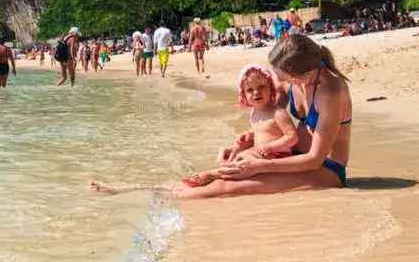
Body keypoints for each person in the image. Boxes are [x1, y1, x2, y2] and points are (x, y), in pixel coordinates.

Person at [181, 36, 353, 198]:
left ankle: (176, 201)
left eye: (283, 77)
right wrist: (238, 146)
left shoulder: (331, 93)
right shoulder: (290, 81)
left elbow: (315, 159)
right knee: (229, 171)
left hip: (324, 168)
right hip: (289, 156)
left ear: (304, 74)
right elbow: (268, 121)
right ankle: (166, 196)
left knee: (225, 188)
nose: (279, 80)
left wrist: (260, 166)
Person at [90, 65, 298, 194]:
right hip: (262, 154)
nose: (256, 93)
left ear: (271, 88)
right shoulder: (255, 113)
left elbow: (292, 137)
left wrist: (271, 146)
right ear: (244, 96)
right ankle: (220, 172)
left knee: (244, 159)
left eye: (262, 87)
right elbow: (260, 131)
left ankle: (214, 173)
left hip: (276, 157)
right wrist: (248, 136)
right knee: (239, 156)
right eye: (250, 90)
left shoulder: (277, 113)